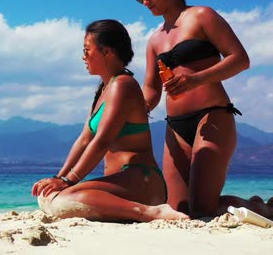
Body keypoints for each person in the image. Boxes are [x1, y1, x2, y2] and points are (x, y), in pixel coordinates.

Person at [134, 0, 273, 219]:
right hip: (175, 126)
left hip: (212, 116)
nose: (145, 2)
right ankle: (259, 204)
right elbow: (151, 89)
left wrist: (196, 80)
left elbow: (240, 59)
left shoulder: (202, 16)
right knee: (180, 209)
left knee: (204, 207)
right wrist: (135, 110)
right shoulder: (154, 39)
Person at [32, 19, 188, 222]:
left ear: (108, 52)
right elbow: (84, 140)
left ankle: (152, 212)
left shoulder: (123, 85)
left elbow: (102, 140)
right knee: (49, 197)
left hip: (142, 181)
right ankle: (136, 209)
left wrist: (68, 180)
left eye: (87, 50)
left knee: (63, 200)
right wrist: (59, 178)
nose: (83, 56)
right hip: (120, 184)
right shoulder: (104, 89)